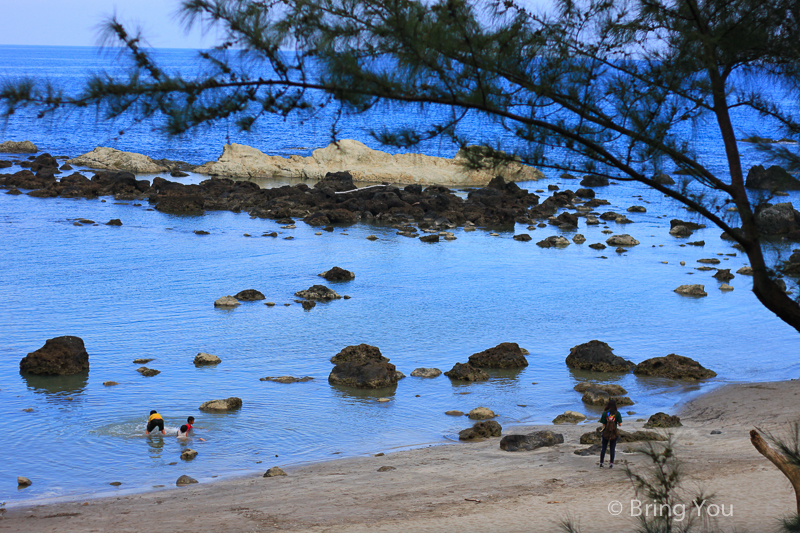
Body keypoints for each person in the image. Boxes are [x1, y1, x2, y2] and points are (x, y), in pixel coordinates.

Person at [599, 399, 622, 468]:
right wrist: (616, 422)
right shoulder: (617, 413)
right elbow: (620, 424)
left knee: (604, 448)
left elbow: (603, 424)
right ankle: (611, 463)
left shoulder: (605, 413)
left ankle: (601, 462)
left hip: (605, 433)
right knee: (612, 448)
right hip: (614, 433)